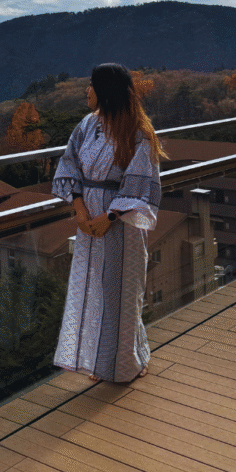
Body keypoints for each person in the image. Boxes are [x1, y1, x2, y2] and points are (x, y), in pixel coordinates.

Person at [52, 63, 165, 383]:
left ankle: (123, 365)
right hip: (89, 221)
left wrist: (111, 216)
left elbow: (141, 180)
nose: (87, 91)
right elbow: (69, 163)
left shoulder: (139, 133)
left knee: (122, 292)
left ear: (106, 91)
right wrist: (80, 209)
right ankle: (104, 362)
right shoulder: (87, 126)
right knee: (95, 291)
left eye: (92, 85)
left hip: (121, 225)